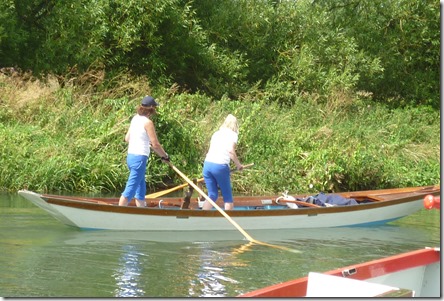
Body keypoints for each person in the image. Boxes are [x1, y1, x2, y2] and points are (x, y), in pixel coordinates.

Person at [119, 95, 169, 207]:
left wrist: (144, 141)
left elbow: (127, 139)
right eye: (155, 108)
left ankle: (142, 210)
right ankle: (118, 213)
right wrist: (165, 156)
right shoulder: (148, 123)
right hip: (139, 158)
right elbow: (155, 144)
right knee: (130, 190)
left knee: (140, 189)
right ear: (151, 109)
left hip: (131, 157)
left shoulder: (135, 119)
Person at [202, 114, 245, 210]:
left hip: (207, 165)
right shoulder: (233, 135)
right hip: (220, 166)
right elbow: (231, 151)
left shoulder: (216, 133)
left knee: (212, 195)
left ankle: (202, 217)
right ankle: (229, 223)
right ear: (235, 125)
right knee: (228, 197)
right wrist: (238, 165)